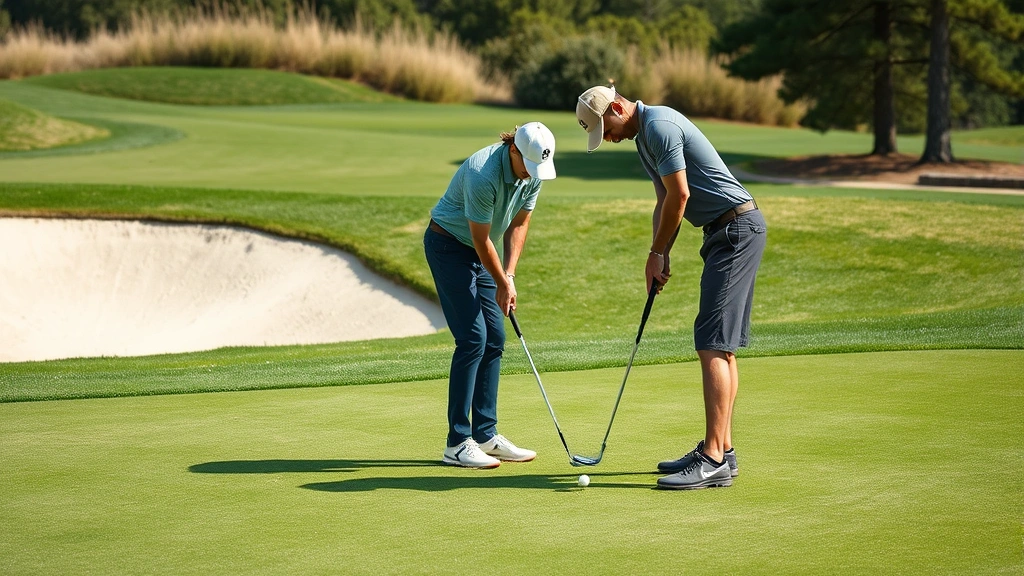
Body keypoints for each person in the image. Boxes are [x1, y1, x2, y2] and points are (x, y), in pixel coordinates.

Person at [576, 85, 767, 490]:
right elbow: (664, 200)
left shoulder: (659, 126)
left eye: (604, 129)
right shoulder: (644, 137)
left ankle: (713, 458)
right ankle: (723, 451)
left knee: (713, 343)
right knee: (720, 344)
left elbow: (681, 196)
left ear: (616, 108)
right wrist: (659, 254)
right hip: (724, 231)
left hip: (736, 229)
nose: (606, 138)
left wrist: (657, 252)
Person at [423, 122, 557, 469]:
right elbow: (481, 239)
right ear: (513, 150)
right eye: (528, 165)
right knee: (473, 339)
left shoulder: (534, 172)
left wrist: (508, 276)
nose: (533, 174)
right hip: (449, 246)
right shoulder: (482, 173)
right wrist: (501, 280)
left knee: (495, 337)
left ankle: (485, 435)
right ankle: (457, 443)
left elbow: (519, 224)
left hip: (483, 253)